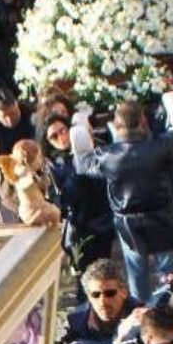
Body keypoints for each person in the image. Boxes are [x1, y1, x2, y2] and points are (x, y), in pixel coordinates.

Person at [72, 98, 173, 304]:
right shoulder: (160, 147)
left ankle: (141, 313)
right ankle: (172, 307)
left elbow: (82, 164)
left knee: (137, 274)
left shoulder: (108, 157)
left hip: (128, 222)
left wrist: (80, 128)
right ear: (143, 122)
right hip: (161, 215)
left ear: (116, 126)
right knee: (168, 271)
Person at [43, 113, 115, 274]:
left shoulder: (92, 150)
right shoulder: (52, 166)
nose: (61, 137)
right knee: (84, 274)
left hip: (101, 220)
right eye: (54, 136)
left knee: (104, 270)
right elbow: (55, 198)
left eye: (63, 131)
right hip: (78, 226)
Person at [62, 258, 136, 344]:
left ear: (124, 292)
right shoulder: (75, 323)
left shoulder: (138, 314)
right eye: (96, 295)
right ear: (88, 297)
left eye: (110, 293)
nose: (102, 301)